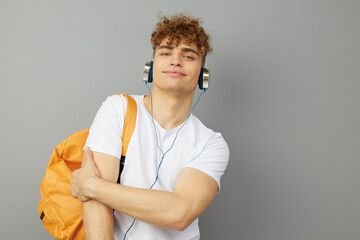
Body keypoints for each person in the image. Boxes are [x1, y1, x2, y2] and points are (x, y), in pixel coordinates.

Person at [71, 13, 229, 240]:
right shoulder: (118, 109)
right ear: (151, 67)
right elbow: (96, 206)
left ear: (203, 76)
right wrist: (94, 191)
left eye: (189, 56)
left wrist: (91, 186)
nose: (176, 61)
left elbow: (180, 214)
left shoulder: (211, 143)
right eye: (166, 53)